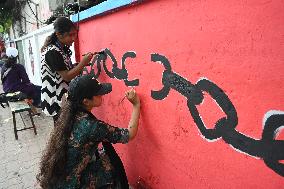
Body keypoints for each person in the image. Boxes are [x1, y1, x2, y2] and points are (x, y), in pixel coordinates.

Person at [37, 74, 141, 188]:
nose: (102, 94)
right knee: (109, 165)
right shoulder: (92, 127)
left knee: (100, 154)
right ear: (86, 101)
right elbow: (129, 134)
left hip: (56, 180)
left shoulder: (69, 115)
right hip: (71, 185)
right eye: (97, 93)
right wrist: (136, 105)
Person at [41, 16, 94, 121]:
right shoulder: (52, 52)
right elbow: (67, 76)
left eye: (75, 34)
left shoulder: (61, 49)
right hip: (56, 100)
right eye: (70, 35)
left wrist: (76, 66)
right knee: (62, 133)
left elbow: (62, 69)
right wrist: (82, 64)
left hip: (62, 98)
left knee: (64, 132)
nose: (74, 38)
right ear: (59, 35)